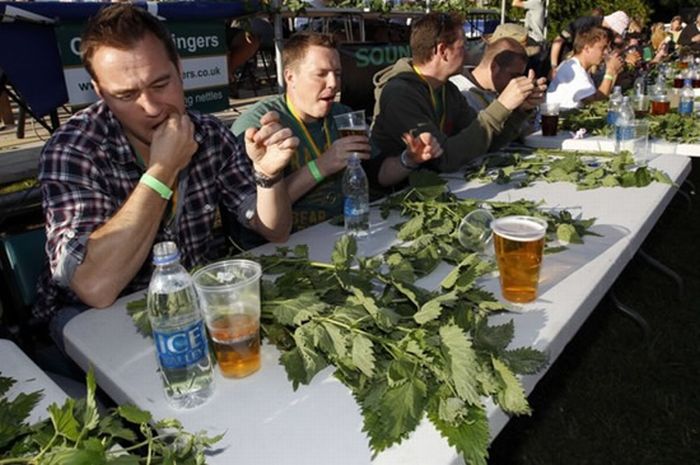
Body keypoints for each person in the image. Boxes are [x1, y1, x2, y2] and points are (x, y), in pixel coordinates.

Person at [35, 4, 298, 341]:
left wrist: (267, 176)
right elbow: (95, 287)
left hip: (187, 309)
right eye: (126, 95)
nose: (151, 107)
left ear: (180, 70)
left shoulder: (209, 134)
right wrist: (163, 171)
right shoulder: (74, 149)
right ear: (99, 93)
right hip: (86, 325)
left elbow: (275, 231)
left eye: (161, 84)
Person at [370, 13, 541, 181]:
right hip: (395, 196)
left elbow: (485, 141)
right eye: (464, 46)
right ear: (443, 50)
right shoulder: (400, 94)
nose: (468, 53)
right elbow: (443, 159)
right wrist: (502, 105)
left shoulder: (446, 89)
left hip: (434, 186)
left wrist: (519, 109)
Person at [231, 32, 374, 233]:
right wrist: (322, 165)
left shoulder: (343, 115)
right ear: (290, 77)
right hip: (284, 246)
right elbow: (257, 213)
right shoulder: (259, 126)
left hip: (343, 230)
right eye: (321, 74)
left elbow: (379, 175)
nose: (333, 83)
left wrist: (407, 158)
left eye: (338, 73)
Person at [450, 35, 546, 142]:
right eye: (514, 76)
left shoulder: (494, 89)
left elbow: (521, 134)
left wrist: (523, 109)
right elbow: (477, 141)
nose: (516, 82)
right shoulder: (459, 91)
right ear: (494, 67)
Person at [547, 25, 624, 109]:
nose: (606, 52)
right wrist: (610, 71)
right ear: (587, 48)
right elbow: (597, 99)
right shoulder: (575, 71)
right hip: (558, 119)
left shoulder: (577, 65)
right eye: (603, 48)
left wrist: (614, 73)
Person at [549, 10, 629, 76]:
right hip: (563, 57)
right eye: (616, 32)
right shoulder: (586, 22)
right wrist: (554, 66)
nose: (615, 35)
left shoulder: (607, 33)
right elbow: (559, 40)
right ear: (612, 25)